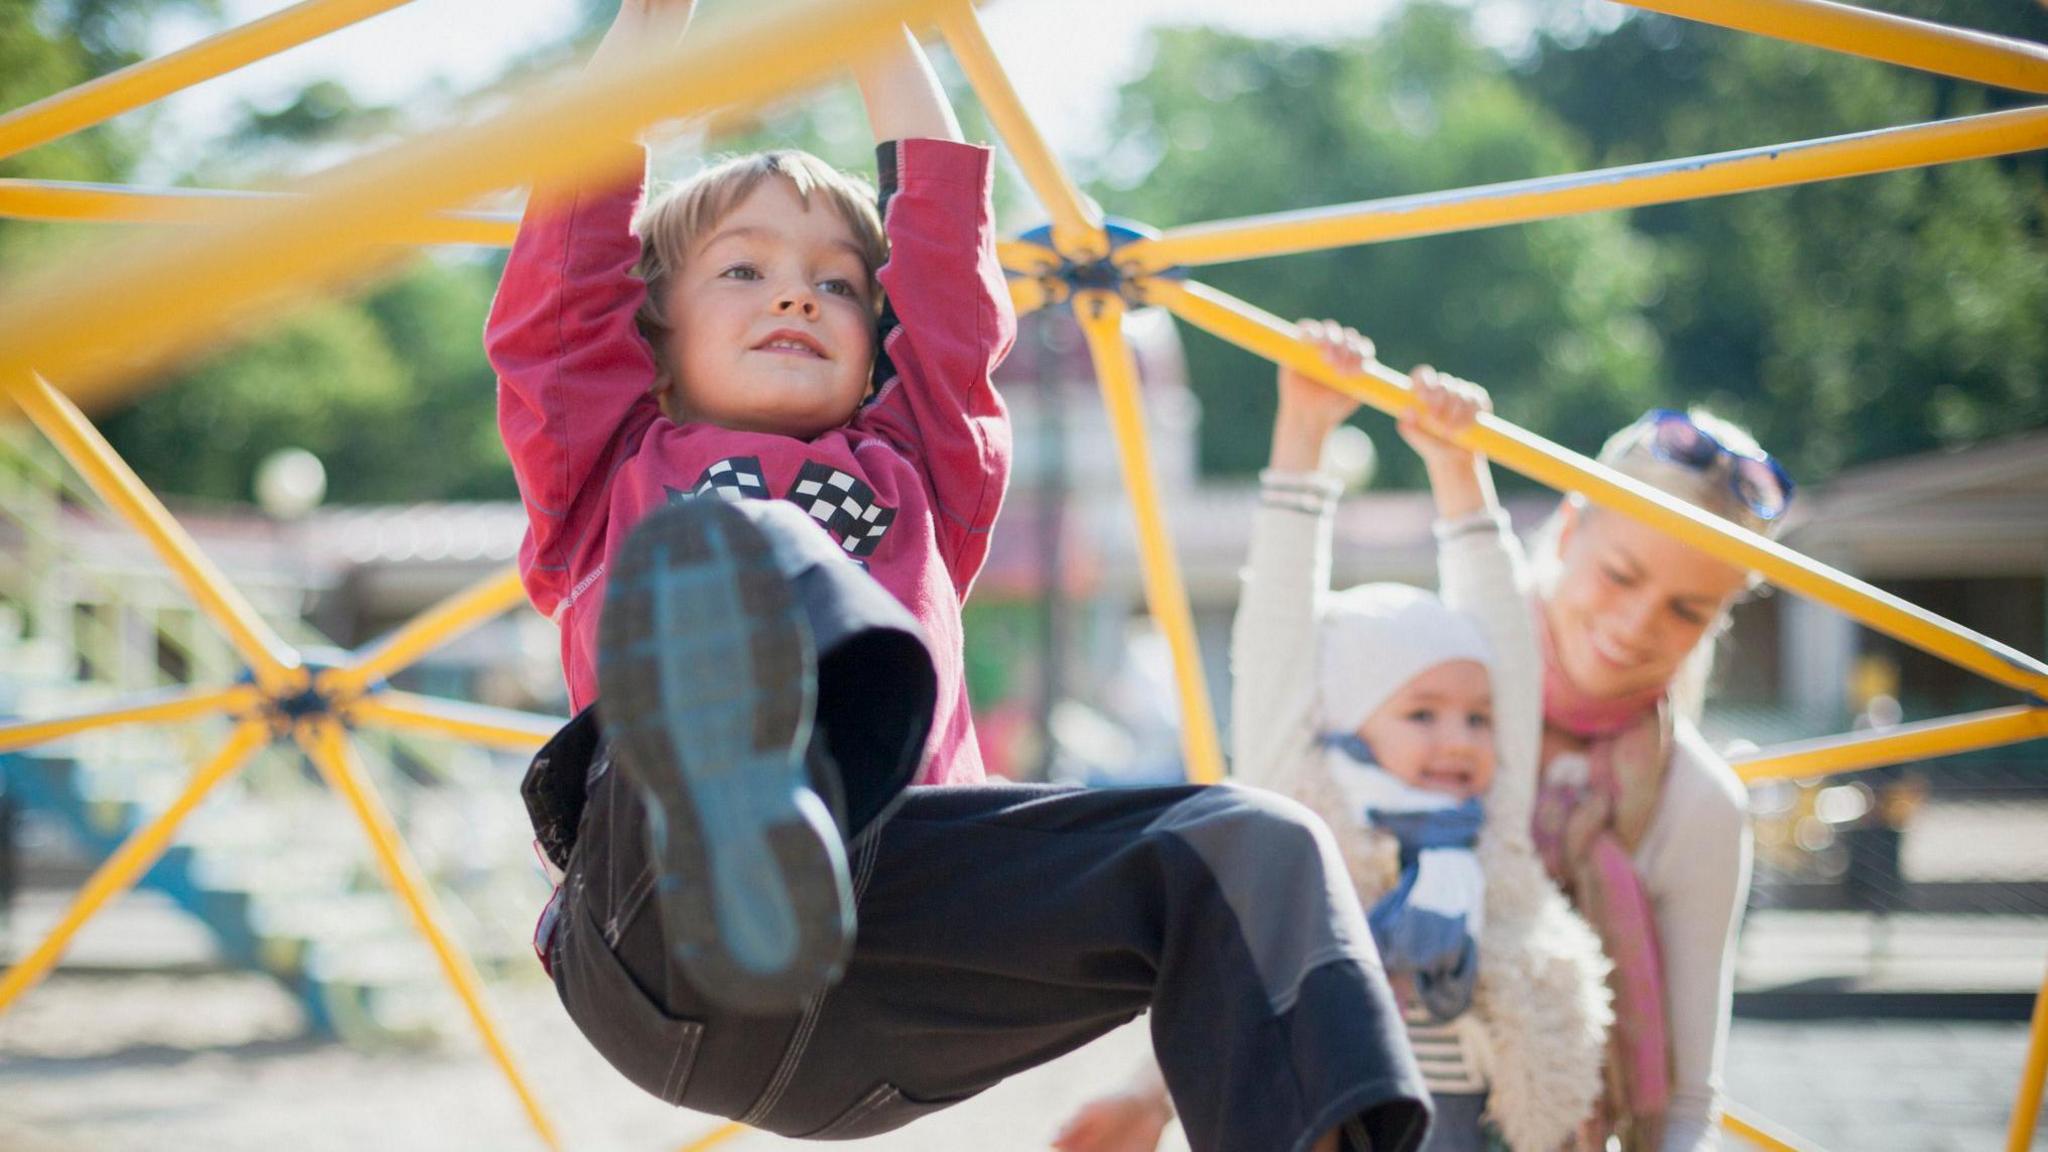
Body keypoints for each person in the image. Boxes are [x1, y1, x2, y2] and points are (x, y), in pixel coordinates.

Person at [486, 4, 1429, 1147]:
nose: (796, 295)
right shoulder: (607, 465)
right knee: (746, 545)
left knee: (1252, 844)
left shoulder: (919, 473)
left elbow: (942, 259)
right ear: (650, 336)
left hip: (893, 956)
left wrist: (874, 24)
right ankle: (749, 822)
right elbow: (564, 264)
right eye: (743, 269)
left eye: (837, 284)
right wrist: (651, 19)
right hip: (663, 940)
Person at [1056, 326, 1609, 1152]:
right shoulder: (1309, 832)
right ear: (1342, 724)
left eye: (1476, 716)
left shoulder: (1489, 828)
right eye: (1420, 714)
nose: (1458, 739)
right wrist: (1303, 434)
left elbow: (1510, 650)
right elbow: (1276, 637)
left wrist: (1460, 474)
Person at [1525, 407, 1791, 1151]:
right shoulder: (1425, 692)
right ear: (1571, 531)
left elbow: (1685, 1099)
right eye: (1621, 574)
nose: (1638, 624)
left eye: (1686, 609)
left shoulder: (1699, 802)